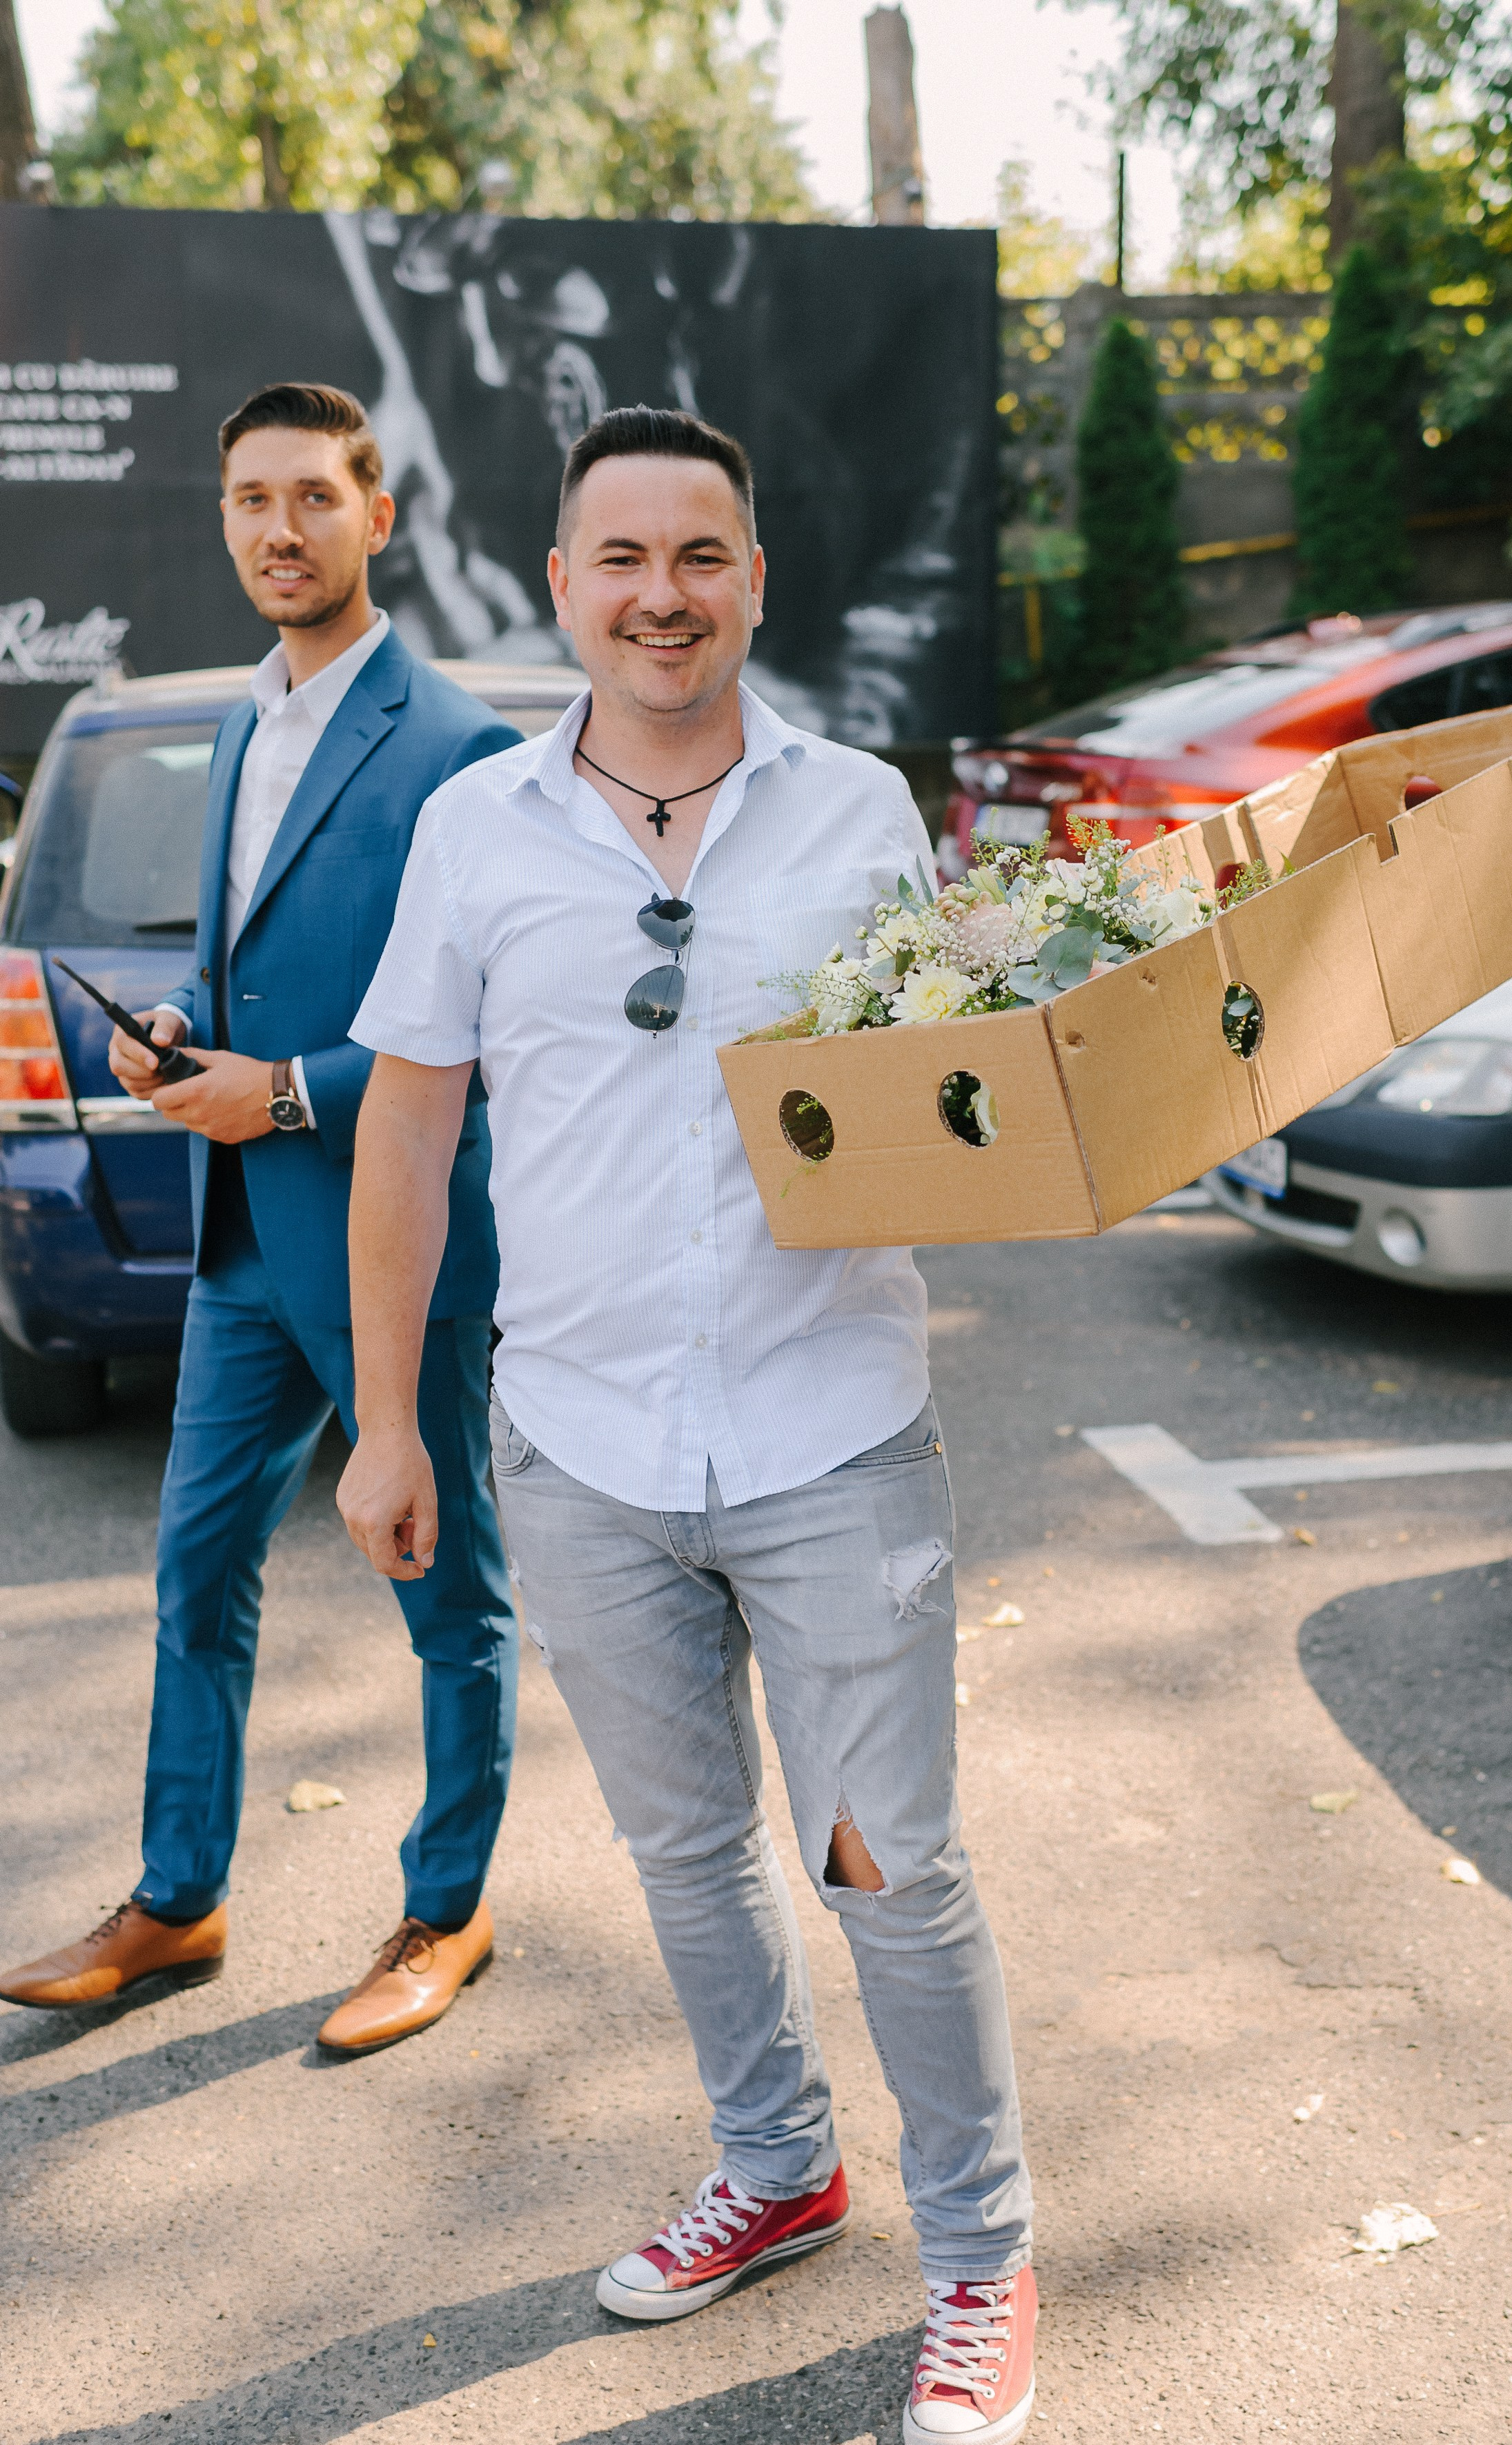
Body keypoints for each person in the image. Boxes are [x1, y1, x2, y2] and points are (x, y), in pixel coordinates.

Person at [336, 405, 1039, 2444]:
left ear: (754, 579)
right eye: (623, 558)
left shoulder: (860, 812)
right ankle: (778, 2162)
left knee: (887, 1865)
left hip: (835, 1427)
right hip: (576, 1448)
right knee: (687, 1852)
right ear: (562, 585)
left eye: (701, 554)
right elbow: (407, 1131)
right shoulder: (475, 828)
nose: (663, 594)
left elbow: (949, 1095)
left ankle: (983, 2258)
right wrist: (384, 1423)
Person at [0, 383, 521, 2058]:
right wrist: (184, 1037)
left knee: (449, 1593)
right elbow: (255, 961)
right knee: (196, 1569)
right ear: (223, 516)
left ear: (378, 513)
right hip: (237, 1246)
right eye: (249, 500)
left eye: (311, 496)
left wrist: (282, 1091)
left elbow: (487, 1033)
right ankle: (180, 1895)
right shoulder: (242, 717)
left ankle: (449, 1906)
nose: (278, 529)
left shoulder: (463, 750)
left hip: (397, 1245)